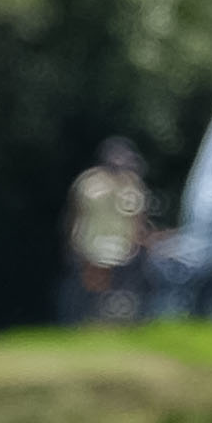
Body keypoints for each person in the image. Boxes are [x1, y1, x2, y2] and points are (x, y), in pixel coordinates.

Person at [61, 135, 154, 325]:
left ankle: (122, 320)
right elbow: (75, 214)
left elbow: (138, 220)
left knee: (126, 289)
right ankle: (89, 321)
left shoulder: (131, 185)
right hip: (91, 248)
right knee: (90, 291)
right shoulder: (90, 183)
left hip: (123, 251)